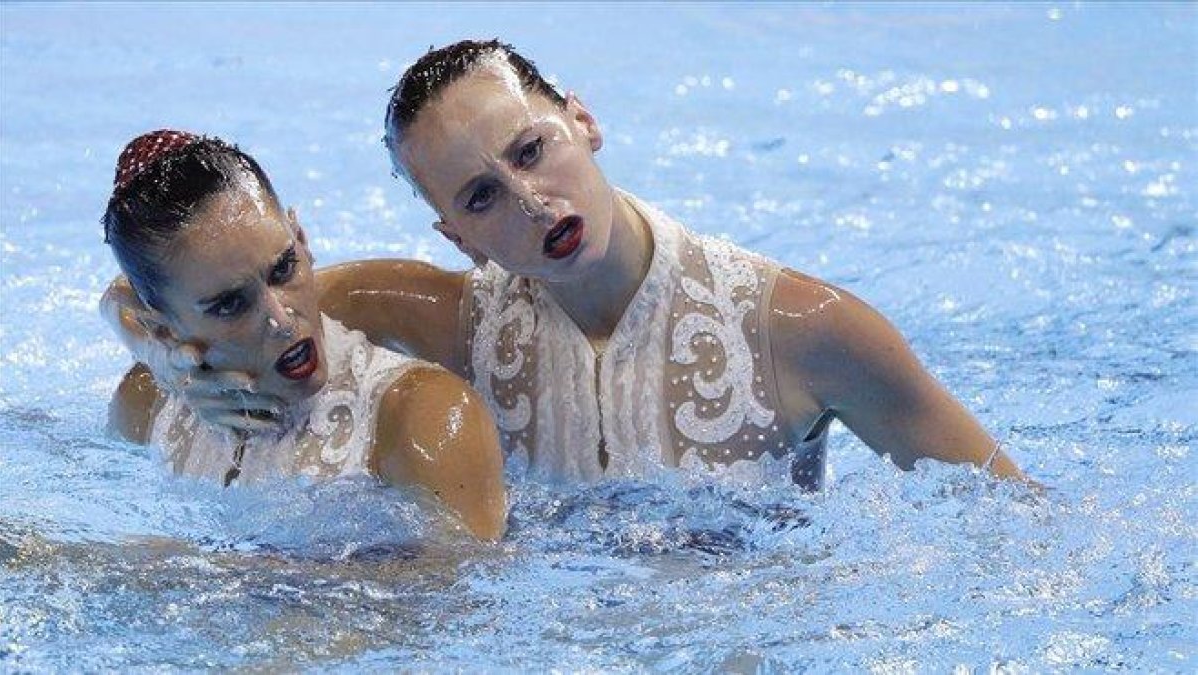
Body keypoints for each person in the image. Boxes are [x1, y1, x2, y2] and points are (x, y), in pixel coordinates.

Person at [106, 41, 1026, 489]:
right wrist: (164, 360)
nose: (529, 199)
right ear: (456, 236)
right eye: (479, 197)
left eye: (532, 149)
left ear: (581, 118)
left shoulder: (804, 332)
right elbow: (248, 305)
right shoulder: (457, 317)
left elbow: (1014, 516)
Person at [102, 129, 507, 540]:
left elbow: (469, 590)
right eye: (230, 304)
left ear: (302, 239)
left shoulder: (420, 416)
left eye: (284, 269)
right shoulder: (145, 407)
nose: (281, 318)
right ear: (162, 330)